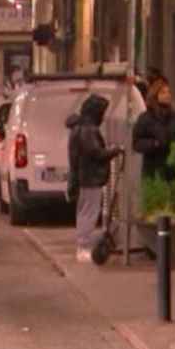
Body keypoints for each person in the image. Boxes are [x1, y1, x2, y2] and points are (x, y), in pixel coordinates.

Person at [68, 94, 124, 264]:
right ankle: (83, 248)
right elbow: (95, 153)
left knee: (85, 212)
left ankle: (83, 246)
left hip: (84, 177)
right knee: (89, 213)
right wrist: (116, 150)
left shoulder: (79, 128)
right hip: (90, 177)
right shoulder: (88, 130)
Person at [132, 79, 175, 181]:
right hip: (152, 167)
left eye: (169, 92)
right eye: (163, 92)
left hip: (171, 168)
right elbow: (136, 143)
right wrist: (154, 143)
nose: (167, 95)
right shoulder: (146, 117)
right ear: (155, 95)